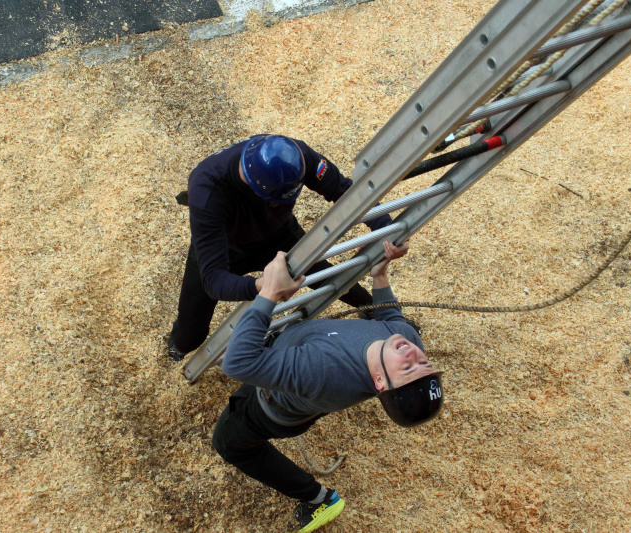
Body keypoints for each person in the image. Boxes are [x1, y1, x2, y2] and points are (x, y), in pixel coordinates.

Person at [212, 241, 444, 532]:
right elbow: (392, 318)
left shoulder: (322, 370)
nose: (413, 354)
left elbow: (237, 363)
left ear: (380, 382)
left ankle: (318, 499)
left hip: (270, 409)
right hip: (296, 357)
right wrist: (380, 276)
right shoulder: (404, 340)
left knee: (229, 443)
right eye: (425, 364)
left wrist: (270, 293)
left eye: (408, 368)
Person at [166, 134, 393, 361]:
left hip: (279, 237)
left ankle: (379, 312)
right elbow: (213, 279)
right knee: (191, 334)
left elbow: (344, 190)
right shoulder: (207, 190)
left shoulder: (296, 156)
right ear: (257, 190)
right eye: (274, 201)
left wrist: (386, 228)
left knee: (331, 278)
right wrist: (265, 286)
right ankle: (179, 344)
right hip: (227, 248)